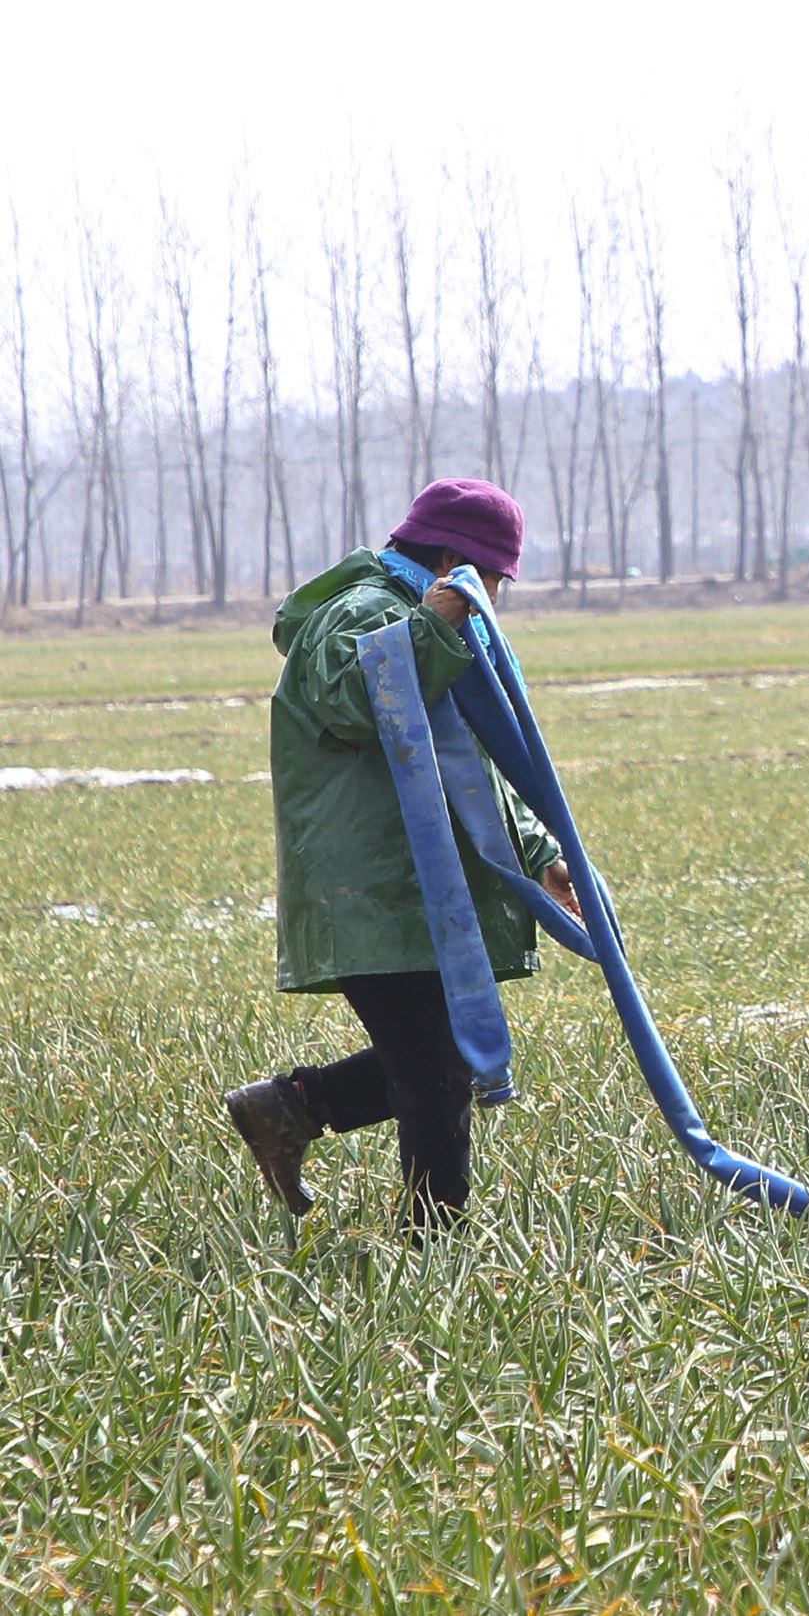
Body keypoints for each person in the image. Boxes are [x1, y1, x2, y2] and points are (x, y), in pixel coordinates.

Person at [221, 479, 581, 1230]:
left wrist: (540, 851)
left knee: (438, 1062)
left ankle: (292, 1107)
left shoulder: (424, 623)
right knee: (437, 1075)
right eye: (495, 581)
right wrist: (432, 631)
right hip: (372, 894)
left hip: (417, 895)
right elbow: (358, 703)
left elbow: (468, 763)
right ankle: (432, 1247)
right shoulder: (358, 614)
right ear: (454, 561)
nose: (497, 600)